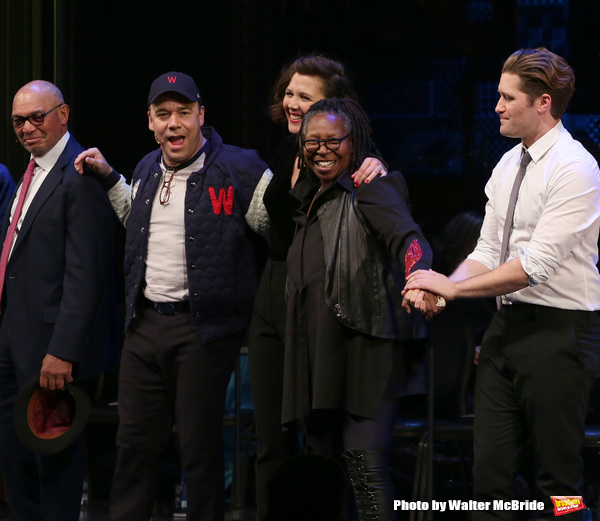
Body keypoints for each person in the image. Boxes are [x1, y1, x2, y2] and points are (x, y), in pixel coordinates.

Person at [403, 48, 600, 520]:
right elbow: (488, 252)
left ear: (543, 103)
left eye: (507, 97)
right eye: (497, 95)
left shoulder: (575, 168)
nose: (497, 106)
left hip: (561, 333)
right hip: (506, 329)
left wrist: (450, 289)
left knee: (559, 479)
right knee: (488, 476)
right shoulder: (509, 164)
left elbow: (537, 265)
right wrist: (441, 286)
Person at [75, 71, 272, 521]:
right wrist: (109, 178)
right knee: (134, 445)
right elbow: (137, 224)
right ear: (150, 121)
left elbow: (279, 225)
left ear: (202, 116)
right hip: (144, 327)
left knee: (199, 447)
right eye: (163, 115)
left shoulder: (238, 167)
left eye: (183, 113)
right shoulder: (146, 167)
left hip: (201, 329)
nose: (174, 124)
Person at [283, 97, 437, 521]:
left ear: (354, 142)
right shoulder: (311, 198)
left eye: (333, 140)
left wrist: (418, 275)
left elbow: (409, 238)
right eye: (312, 141)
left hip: (367, 351)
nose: (322, 149)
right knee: (323, 473)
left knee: (364, 467)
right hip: (320, 353)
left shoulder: (372, 186)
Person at [248, 54, 386, 520]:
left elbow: (396, 228)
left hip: (318, 300)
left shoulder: (355, 163)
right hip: (272, 291)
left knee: (320, 434)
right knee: (270, 434)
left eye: (304, 96)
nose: (290, 101)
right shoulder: (288, 150)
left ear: (336, 109)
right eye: (289, 91)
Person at [0, 80, 116, 521]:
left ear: (62, 115)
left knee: (55, 462)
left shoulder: (81, 173)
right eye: (18, 121)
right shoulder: (26, 174)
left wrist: (63, 350)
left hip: (51, 347)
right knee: (15, 459)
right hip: (12, 337)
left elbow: (86, 274)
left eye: (37, 117)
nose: (28, 128)